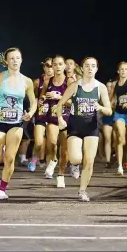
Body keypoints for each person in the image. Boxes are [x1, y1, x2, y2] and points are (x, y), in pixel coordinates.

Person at [0, 47, 37, 200]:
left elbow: (33, 101)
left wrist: (30, 113)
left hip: (16, 123)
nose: (15, 61)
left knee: (10, 159)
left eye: (17, 58)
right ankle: (2, 149)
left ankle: (2, 189)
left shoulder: (27, 81)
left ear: (21, 60)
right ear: (6, 61)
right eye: (11, 58)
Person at [57, 57, 112, 201]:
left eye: (93, 66)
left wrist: (100, 107)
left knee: (89, 160)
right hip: (75, 125)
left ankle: (82, 191)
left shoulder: (101, 87)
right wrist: (60, 119)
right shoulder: (75, 85)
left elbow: (109, 111)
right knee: (76, 158)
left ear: (97, 69)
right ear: (82, 68)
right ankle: (74, 164)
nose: (90, 68)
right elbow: (60, 104)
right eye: (87, 66)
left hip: (91, 127)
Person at [39, 55, 74, 187]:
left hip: (66, 118)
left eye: (60, 64)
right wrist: (42, 99)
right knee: (52, 143)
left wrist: (59, 97)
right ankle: (53, 159)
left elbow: (73, 103)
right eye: (55, 64)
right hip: (52, 117)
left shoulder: (69, 82)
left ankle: (61, 175)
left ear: (65, 66)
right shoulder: (48, 81)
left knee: (64, 150)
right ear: (52, 66)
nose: (58, 67)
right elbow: (42, 95)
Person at [27, 57, 54, 171]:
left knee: (51, 143)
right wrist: (36, 102)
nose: (50, 68)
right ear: (44, 67)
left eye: (52, 65)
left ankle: (49, 166)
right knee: (38, 142)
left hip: (53, 114)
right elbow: (30, 97)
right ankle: (34, 158)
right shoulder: (37, 82)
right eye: (47, 65)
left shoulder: (60, 81)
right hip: (41, 114)